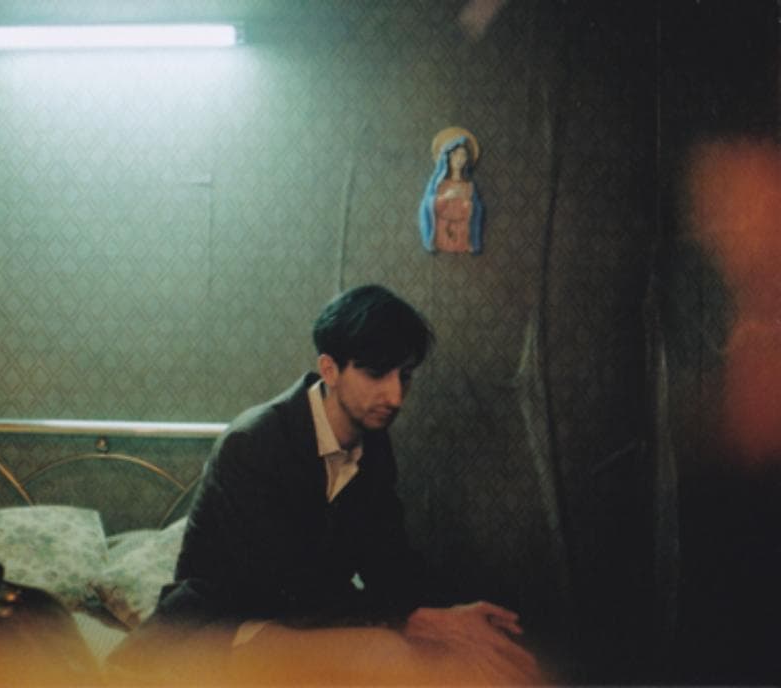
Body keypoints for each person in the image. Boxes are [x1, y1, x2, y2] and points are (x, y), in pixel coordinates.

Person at [110, 285, 541, 685]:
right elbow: (288, 589)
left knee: (470, 653)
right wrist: (411, 620)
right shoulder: (255, 443)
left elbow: (388, 558)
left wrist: (451, 615)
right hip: (219, 626)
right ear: (329, 370)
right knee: (385, 652)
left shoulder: (372, 444)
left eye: (405, 375)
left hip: (298, 621)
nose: (395, 396)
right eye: (377, 373)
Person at [419, 126, 484, 254]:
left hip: (462, 236)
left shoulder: (469, 186)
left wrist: (467, 204)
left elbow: (476, 211)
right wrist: (446, 197)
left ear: (467, 159)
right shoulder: (439, 184)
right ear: (448, 157)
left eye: (463, 155)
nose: (459, 159)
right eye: (455, 154)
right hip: (442, 235)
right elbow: (427, 206)